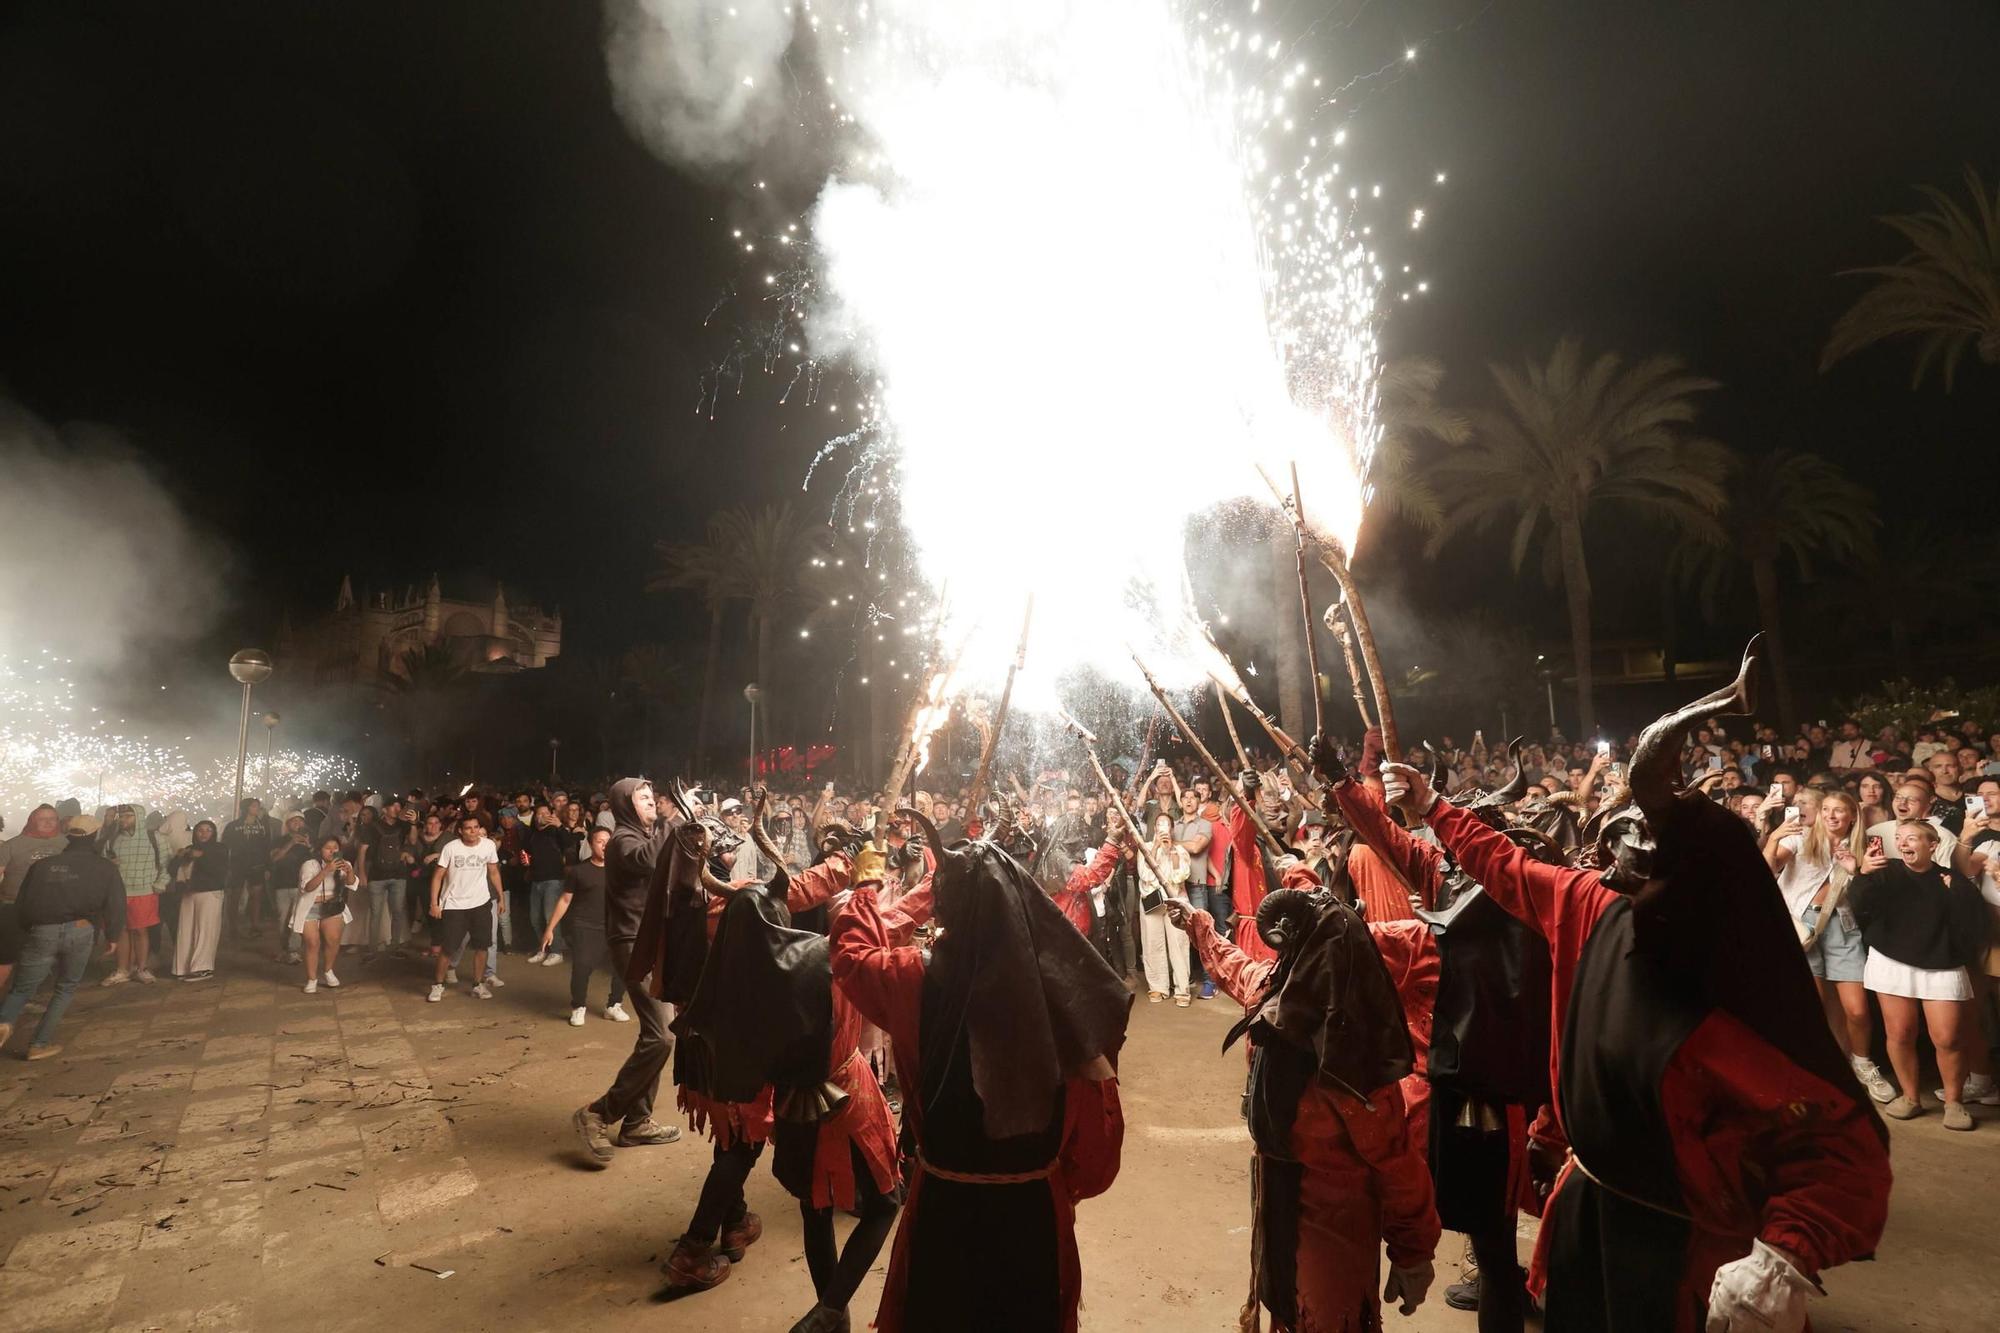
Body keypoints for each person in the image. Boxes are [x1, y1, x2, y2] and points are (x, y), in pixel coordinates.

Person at [1383, 647, 1891, 1333]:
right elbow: (1503, 863)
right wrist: (1431, 806)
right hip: (1589, 1210)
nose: (1622, 859)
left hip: (1688, 1249)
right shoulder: (1594, 906)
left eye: (1650, 847)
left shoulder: (1738, 999)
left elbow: (1843, 1157)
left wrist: (1782, 1254)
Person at [828, 810, 1127, 1333]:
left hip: (947, 1202)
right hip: (1032, 1207)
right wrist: (1058, 1183)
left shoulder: (913, 977)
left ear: (943, 907)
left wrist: (869, 881)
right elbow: (1097, 1149)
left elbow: (851, 957)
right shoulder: (1058, 992)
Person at [1166, 864, 1440, 1333]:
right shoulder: (1279, 992)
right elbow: (1236, 967)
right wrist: (1197, 922)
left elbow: (1398, 1165)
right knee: (1287, 1307)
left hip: (1337, 1219)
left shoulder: (1350, 1054)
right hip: (1277, 1192)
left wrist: (1414, 1253)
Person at [1847, 818, 1988, 1129]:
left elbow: (1974, 925)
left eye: (1912, 838)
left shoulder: (1951, 879)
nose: (1904, 843)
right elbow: (1860, 908)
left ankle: (1954, 1102)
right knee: (1900, 1033)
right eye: (1900, 838)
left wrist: (1959, 896)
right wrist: (1863, 874)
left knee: (1948, 1038)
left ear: (1932, 845)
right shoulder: (1884, 871)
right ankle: (1911, 1097)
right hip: (1891, 960)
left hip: (1941, 963)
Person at [570, 779, 684, 1161]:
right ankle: (598, 1112)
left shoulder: (648, 836)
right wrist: (674, 819)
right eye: (643, 796)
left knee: (657, 1035)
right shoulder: (623, 840)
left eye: (653, 796)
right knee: (663, 1036)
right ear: (624, 805)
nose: (652, 800)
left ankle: (637, 1122)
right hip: (633, 945)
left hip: (653, 944)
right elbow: (650, 859)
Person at [1764, 790, 1896, 1101]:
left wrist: (1858, 870)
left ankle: (1862, 1064)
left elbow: (1875, 895)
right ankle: (1829, 1069)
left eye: (1839, 810)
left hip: (1843, 926)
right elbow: (1763, 871)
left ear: (1853, 816)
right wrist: (1773, 839)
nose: (1832, 815)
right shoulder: (1800, 838)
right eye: (1827, 809)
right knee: (1818, 1006)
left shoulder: (1864, 846)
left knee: (1857, 1009)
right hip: (1801, 926)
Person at [0, 815, 126, 1059]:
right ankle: (39, 1044)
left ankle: (4, 1021)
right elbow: (115, 904)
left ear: (69, 835)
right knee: (65, 987)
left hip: (42, 930)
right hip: (80, 930)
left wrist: (27, 929)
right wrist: (112, 935)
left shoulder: (43, 866)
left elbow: (23, 903)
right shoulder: (105, 867)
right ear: (95, 836)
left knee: (21, 989)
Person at [539, 827, 631, 1026]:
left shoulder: (621, 871)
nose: (605, 845)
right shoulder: (579, 871)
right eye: (600, 841)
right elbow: (564, 900)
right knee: (582, 968)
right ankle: (578, 1006)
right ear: (590, 844)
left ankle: (613, 1005)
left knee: (623, 967)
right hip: (585, 925)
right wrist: (550, 928)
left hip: (615, 927)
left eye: (609, 841)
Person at [427, 815, 503, 1001]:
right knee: (448, 948)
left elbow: (493, 872)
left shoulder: (488, 845)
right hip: (454, 904)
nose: (473, 831)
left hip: (480, 902)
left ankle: (478, 985)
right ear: (460, 830)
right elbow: (437, 876)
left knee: (482, 946)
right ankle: (438, 985)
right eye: (468, 828)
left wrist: (501, 898)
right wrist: (434, 903)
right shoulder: (451, 848)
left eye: (476, 827)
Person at [0, 805, 67, 996]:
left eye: (52, 818)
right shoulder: (13, 845)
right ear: (32, 821)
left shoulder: (67, 843)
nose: (47, 823)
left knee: (43, 957)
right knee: (8, 957)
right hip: (14, 908)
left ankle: (30, 996)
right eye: (42, 819)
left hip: (53, 910)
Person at [99, 804, 166, 985]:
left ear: (139, 817)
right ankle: (122, 970)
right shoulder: (112, 839)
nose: (123, 820)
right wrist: (109, 864)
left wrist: (161, 883)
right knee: (121, 930)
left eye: (129, 816)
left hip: (144, 891)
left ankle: (141, 968)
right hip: (119, 892)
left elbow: (165, 863)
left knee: (140, 930)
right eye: (121, 816)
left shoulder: (155, 838)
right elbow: (102, 862)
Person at [1135, 813, 1192, 1005]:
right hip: (1152, 902)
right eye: (1159, 823)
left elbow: (1180, 877)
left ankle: (1182, 990)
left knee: (1179, 944)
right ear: (1154, 828)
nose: (1162, 827)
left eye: (1166, 824)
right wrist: (1157, 848)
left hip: (1174, 901)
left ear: (1172, 829)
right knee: (1153, 944)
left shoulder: (1180, 850)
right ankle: (1157, 987)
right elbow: (1144, 874)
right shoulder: (1146, 849)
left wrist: (1170, 853)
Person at [292, 836, 357, 994]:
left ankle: (328, 970)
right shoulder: (310, 865)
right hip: (310, 907)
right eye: (328, 848)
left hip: (332, 906)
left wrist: (349, 871)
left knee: (333, 940)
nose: (332, 851)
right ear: (320, 849)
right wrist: (326, 870)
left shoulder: (344, 864)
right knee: (312, 943)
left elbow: (352, 883)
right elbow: (307, 888)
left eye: (335, 848)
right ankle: (311, 979)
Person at [170, 820, 227, 980]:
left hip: (209, 893)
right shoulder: (189, 849)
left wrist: (202, 856)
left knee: (205, 930)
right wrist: (180, 857)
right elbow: (173, 869)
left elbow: (219, 870)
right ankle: (183, 967)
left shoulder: (219, 849)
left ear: (214, 833)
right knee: (185, 930)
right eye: (200, 830)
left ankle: (202, 967)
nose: (204, 833)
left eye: (208, 830)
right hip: (188, 893)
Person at [357, 798, 413, 957]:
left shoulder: (403, 825)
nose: (397, 808)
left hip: (398, 874)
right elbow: (362, 850)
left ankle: (395, 947)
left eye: (399, 806)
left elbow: (413, 840)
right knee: (376, 913)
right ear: (384, 810)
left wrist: (414, 823)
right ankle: (372, 949)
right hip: (377, 874)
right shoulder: (371, 827)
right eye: (393, 806)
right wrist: (362, 873)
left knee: (397, 912)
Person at [220, 797, 275, 941]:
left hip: (257, 865)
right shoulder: (233, 826)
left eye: (258, 806)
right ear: (246, 808)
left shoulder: (263, 826)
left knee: (256, 896)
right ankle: (233, 927)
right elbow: (225, 846)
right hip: (237, 865)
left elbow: (267, 847)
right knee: (235, 897)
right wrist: (227, 865)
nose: (257, 809)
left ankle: (254, 925)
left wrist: (267, 866)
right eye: (254, 806)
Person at [524, 803, 570, 967]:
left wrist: (560, 826)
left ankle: (557, 951)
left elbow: (569, 843)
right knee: (535, 918)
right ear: (535, 817)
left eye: (546, 812)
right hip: (536, 880)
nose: (542, 815)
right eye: (539, 813)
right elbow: (527, 852)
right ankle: (543, 949)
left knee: (550, 917)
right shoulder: (533, 834)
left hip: (554, 880)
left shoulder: (556, 831)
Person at [268, 813, 312, 964]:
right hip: (281, 884)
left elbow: (315, 861)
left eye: (300, 821)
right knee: (282, 919)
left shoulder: (308, 840)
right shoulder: (279, 840)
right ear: (287, 824)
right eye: (294, 821)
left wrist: (309, 846)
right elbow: (274, 858)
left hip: (300, 885)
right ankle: (283, 948)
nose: (297, 824)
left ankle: (293, 951)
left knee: (297, 918)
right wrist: (291, 843)